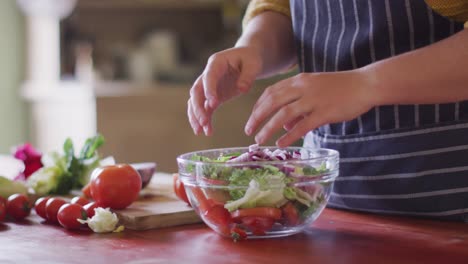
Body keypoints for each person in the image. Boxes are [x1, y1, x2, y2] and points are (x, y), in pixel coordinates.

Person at [187, 0, 468, 220]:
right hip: (333, 206)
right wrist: (253, 49)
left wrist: (366, 84)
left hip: (451, 205)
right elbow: (283, 8)